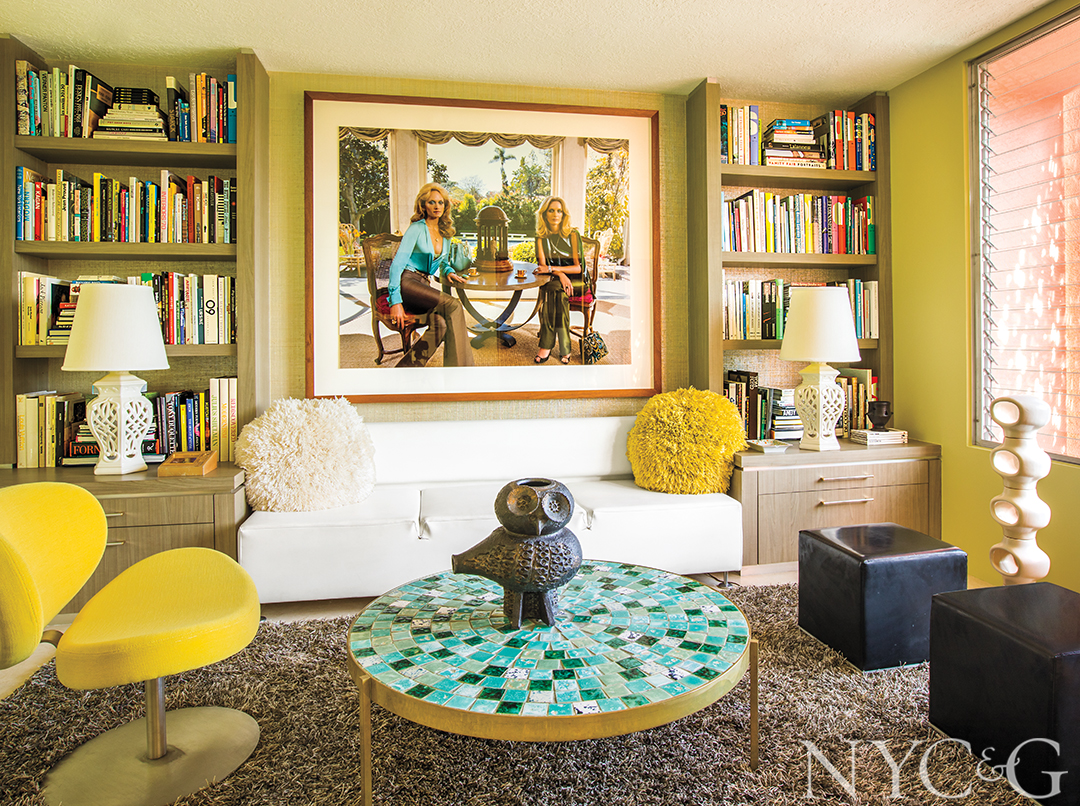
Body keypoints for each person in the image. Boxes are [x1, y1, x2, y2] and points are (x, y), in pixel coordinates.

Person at [386, 183, 473, 367]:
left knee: (440, 323)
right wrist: (395, 301)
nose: (437, 206)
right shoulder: (417, 228)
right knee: (454, 305)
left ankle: (406, 368)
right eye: (431, 202)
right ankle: (462, 372)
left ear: (445, 206)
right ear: (423, 205)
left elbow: (443, 263)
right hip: (408, 282)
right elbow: (397, 265)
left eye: (441, 202)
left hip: (423, 286)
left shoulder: (445, 233)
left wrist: (448, 271)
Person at [533, 196, 587, 365]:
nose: (556, 214)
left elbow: (578, 268)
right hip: (554, 280)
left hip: (576, 281)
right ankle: (565, 347)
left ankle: (546, 346)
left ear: (564, 214)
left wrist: (555, 271)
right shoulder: (541, 237)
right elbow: (543, 266)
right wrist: (559, 273)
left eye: (559, 211)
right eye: (551, 210)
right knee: (557, 291)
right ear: (544, 214)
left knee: (556, 292)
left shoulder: (572, 234)